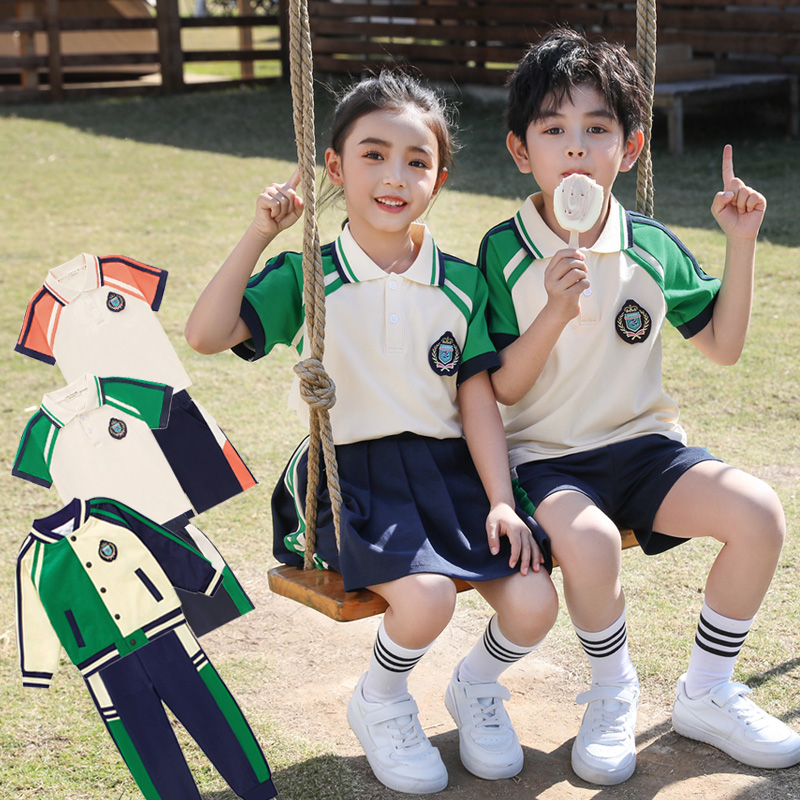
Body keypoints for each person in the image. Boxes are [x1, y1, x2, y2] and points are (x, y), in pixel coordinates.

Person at [185, 70, 558, 795]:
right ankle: (381, 698)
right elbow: (206, 334)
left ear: (438, 179)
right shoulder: (312, 274)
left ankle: (475, 686)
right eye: (374, 155)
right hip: (350, 476)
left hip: (449, 474)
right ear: (335, 167)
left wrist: (502, 500)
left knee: (537, 600)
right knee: (427, 599)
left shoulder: (460, 281)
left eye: (417, 162)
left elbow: (477, 401)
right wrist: (263, 231)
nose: (395, 176)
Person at [478, 26, 800, 786]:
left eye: (598, 130)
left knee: (758, 514)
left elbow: (720, 346)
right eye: (555, 131)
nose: (577, 149)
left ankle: (707, 690)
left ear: (629, 148)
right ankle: (613, 689)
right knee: (588, 546)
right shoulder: (503, 250)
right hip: (545, 458)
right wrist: (554, 311)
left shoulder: (650, 246)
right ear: (523, 151)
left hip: (645, 447)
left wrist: (741, 244)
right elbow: (497, 390)